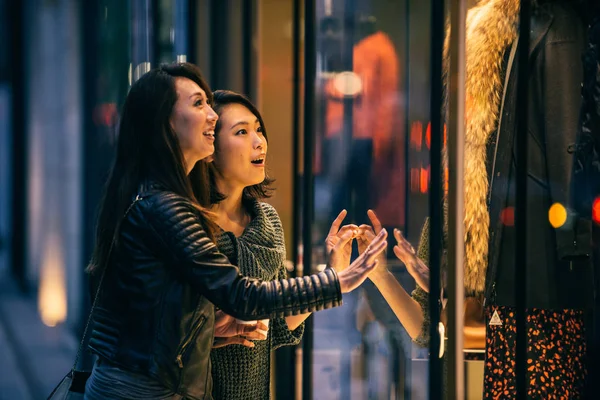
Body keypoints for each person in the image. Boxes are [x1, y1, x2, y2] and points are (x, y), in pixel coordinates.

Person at [82, 62, 387, 400]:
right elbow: (243, 296)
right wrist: (337, 280)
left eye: (258, 129)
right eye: (199, 104)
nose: (210, 115)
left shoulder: (253, 219)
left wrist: (205, 327)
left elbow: (270, 323)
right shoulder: (168, 208)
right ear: (166, 124)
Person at [360, 0, 595, 397]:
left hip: (530, 340)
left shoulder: (504, 202)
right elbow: (422, 329)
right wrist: (380, 271)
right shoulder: (456, 209)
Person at [188, 89, 360, 399]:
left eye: (258, 129)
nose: (259, 141)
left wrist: (331, 273)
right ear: (209, 147)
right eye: (242, 131)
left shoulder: (266, 221)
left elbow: (279, 326)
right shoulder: (187, 223)